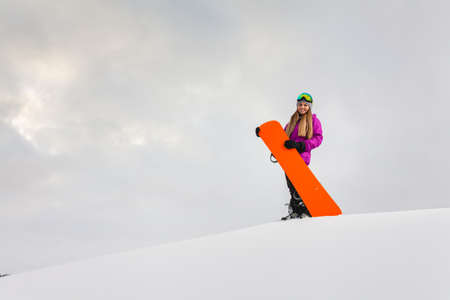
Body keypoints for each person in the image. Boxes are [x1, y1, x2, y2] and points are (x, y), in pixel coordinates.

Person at [256, 92, 323, 220]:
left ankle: (305, 208)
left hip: (301, 157)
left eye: (305, 105)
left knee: (298, 184)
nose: (302, 107)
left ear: (309, 107)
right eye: (300, 105)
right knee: (291, 185)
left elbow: (318, 138)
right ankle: (296, 209)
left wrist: (301, 145)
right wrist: (263, 133)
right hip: (288, 158)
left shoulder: (314, 120)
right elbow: (280, 137)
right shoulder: (292, 121)